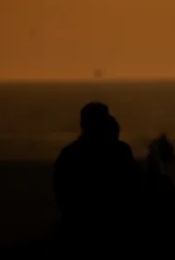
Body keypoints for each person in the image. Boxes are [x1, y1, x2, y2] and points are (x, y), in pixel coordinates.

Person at [52, 102, 141, 240]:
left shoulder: (70, 152)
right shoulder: (119, 151)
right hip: (113, 221)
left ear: (82, 124)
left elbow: (60, 189)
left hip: (78, 221)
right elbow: (134, 185)